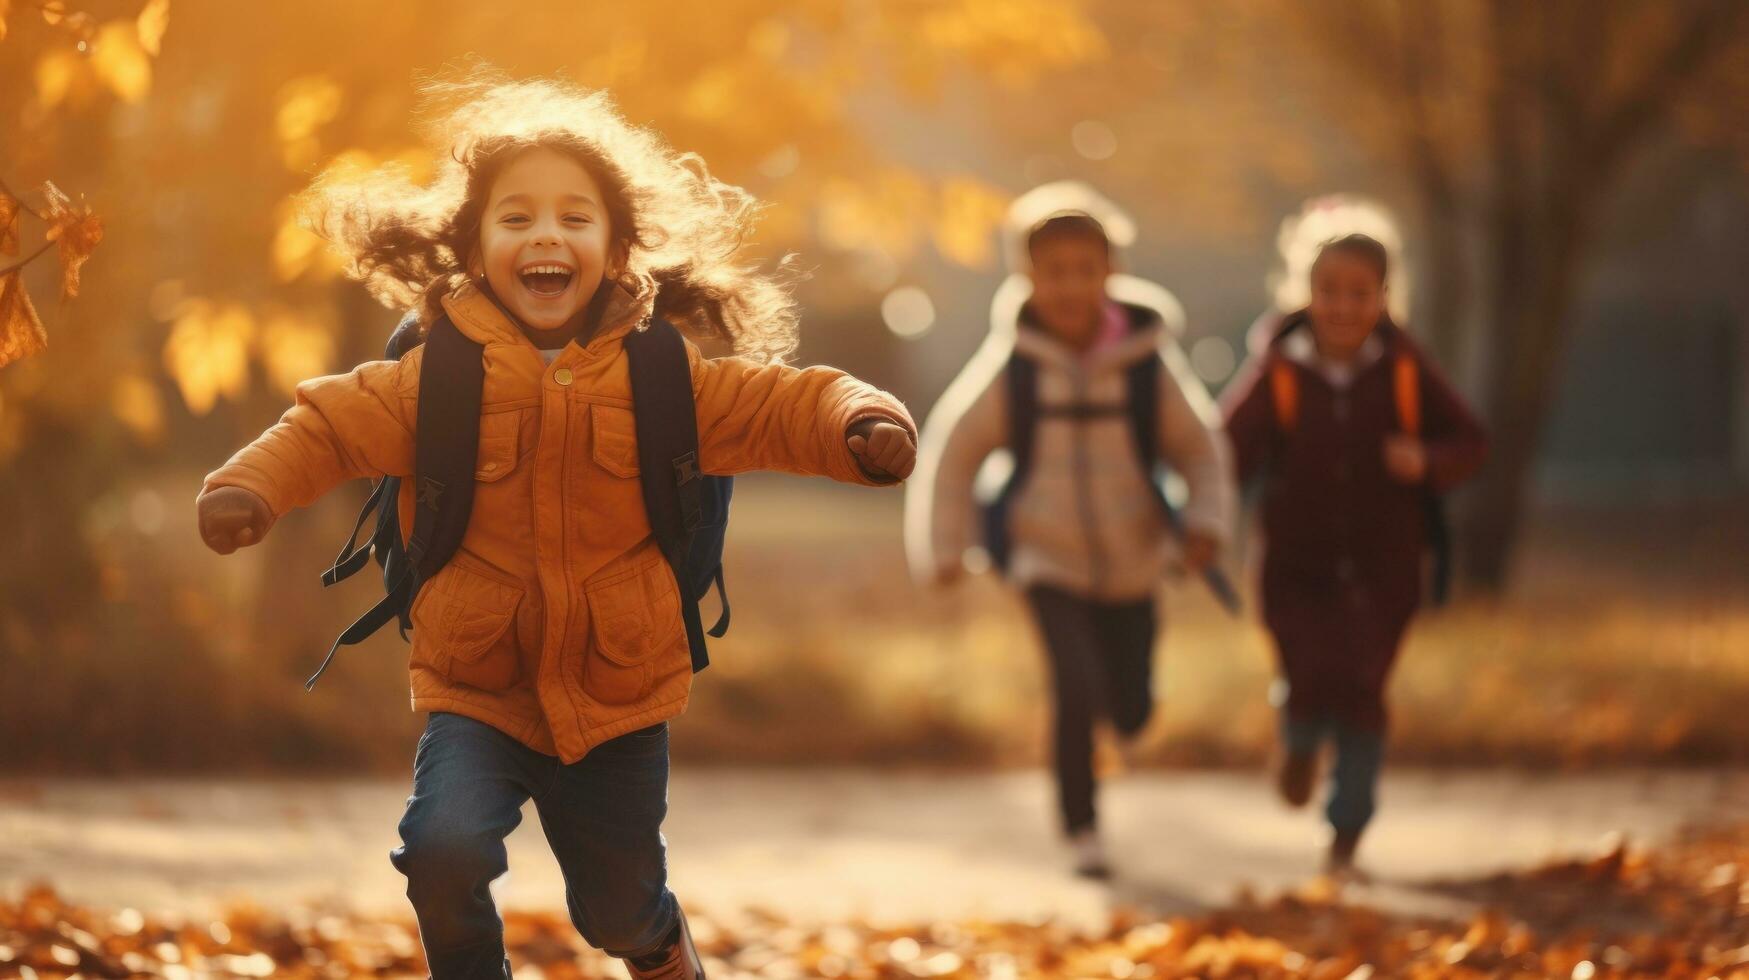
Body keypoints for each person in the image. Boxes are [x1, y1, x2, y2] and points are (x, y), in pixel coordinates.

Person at [195, 72, 916, 979]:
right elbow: (328, 426)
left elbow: (784, 404)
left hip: (620, 690)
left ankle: (656, 944)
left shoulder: (664, 375)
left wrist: (863, 426)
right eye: (517, 217)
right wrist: (248, 489)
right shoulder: (436, 376)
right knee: (440, 849)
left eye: (576, 218)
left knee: (615, 907)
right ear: (473, 245)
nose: (547, 235)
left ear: (617, 249)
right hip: (478, 682)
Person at [905, 182, 1234, 879]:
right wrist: (941, 549)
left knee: (1131, 707)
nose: (1069, 287)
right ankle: (1081, 829)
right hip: (1041, 554)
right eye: (1053, 273)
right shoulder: (1013, 367)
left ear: (1110, 274)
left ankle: (1129, 714)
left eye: (1084, 271)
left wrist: (1205, 523)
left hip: (1135, 558)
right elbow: (952, 452)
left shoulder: (1146, 364)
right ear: (1026, 277)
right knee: (1073, 684)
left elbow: (1200, 448)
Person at [1222, 233, 1485, 874]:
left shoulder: (1404, 368)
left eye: (1359, 293)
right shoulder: (1279, 370)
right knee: (1310, 671)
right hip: (1293, 565)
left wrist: (1426, 460)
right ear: (1305, 295)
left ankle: (1346, 830)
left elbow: (1470, 440)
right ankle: (1300, 736)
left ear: (1385, 297)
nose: (1342, 307)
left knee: (1364, 687)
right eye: (1328, 292)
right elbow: (1224, 448)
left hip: (1386, 566)